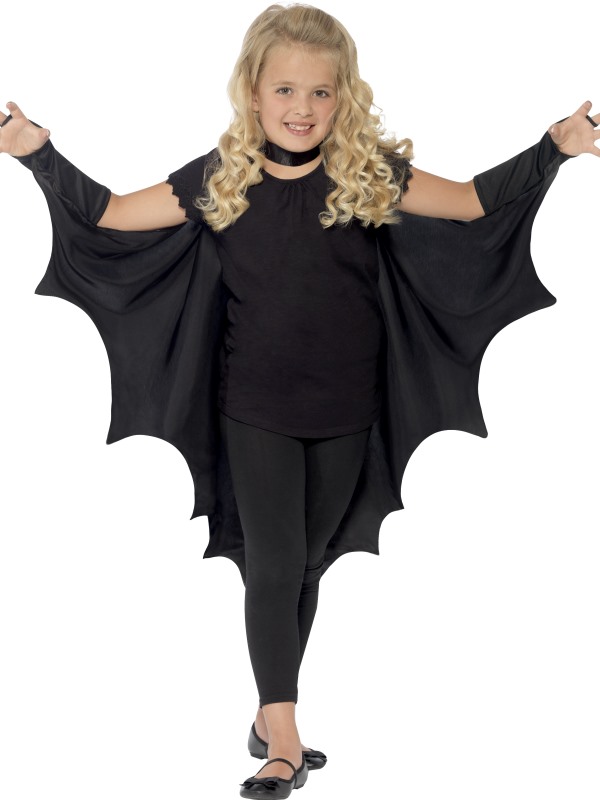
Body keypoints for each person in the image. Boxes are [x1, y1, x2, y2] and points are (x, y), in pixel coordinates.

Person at [1, 4, 598, 798]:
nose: (302, 108)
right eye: (284, 89)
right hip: (253, 403)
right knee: (275, 561)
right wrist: (38, 155)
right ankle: (283, 740)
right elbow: (111, 212)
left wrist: (555, 148)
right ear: (253, 91)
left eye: (321, 91)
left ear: (343, 95)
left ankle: (267, 714)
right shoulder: (221, 178)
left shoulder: (367, 173)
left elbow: (474, 202)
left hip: (349, 402)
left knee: (308, 561)